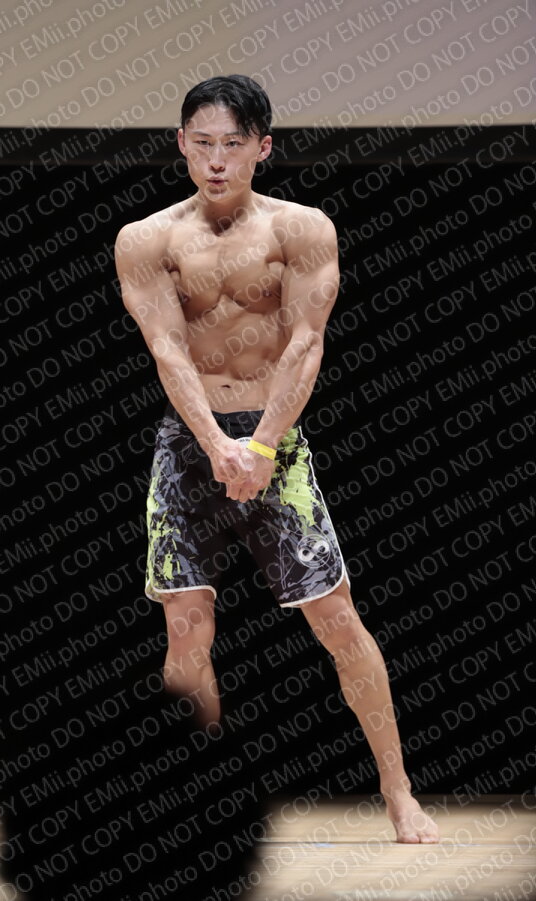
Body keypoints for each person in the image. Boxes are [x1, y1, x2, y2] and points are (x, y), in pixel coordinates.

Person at [114, 74, 439, 844]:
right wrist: (215, 443)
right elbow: (167, 347)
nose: (216, 160)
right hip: (189, 442)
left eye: (232, 144)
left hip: (276, 437)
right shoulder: (146, 239)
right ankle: (200, 805)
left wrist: (260, 444)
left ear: (263, 147)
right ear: (180, 144)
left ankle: (398, 790)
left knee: (337, 616)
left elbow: (306, 341)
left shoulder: (303, 229)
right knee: (186, 626)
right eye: (202, 143)